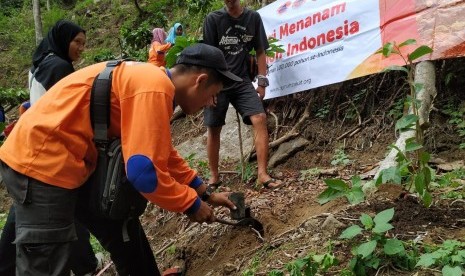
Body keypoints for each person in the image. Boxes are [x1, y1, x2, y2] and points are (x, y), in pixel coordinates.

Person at [0, 43, 242, 276]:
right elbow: (143, 174)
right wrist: (190, 204)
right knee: (44, 264)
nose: (211, 103)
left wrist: (204, 194)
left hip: (74, 162)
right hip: (42, 162)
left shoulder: (151, 82)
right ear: (199, 81)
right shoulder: (154, 88)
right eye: (214, 95)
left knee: (123, 230)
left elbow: (164, 153)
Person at [0, 19, 101, 276]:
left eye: (84, 43)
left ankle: (7, 264)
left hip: (34, 144)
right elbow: (72, 108)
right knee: (61, 212)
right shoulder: (60, 67)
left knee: (29, 213)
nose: (81, 48)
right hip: (52, 148)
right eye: (77, 42)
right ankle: (86, 264)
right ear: (62, 39)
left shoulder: (40, 63)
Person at [202, 0, 283, 189]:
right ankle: (214, 177)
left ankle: (262, 174)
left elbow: (261, 51)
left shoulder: (252, 18)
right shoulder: (213, 19)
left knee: (260, 117)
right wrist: (208, 89)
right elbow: (206, 56)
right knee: (214, 128)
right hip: (218, 83)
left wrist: (261, 83)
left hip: (242, 81)